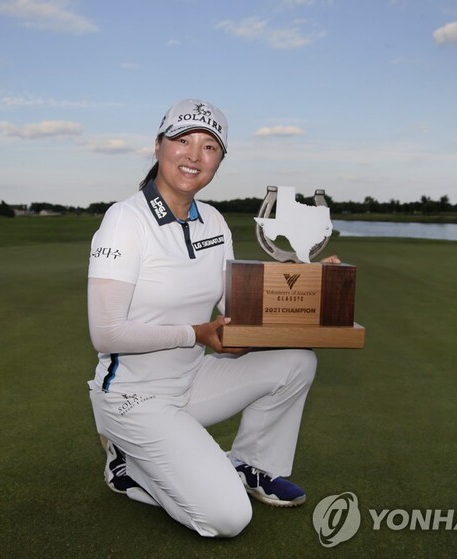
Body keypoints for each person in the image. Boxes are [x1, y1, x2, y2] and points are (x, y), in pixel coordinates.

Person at [87, 99, 335, 538]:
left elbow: (235, 313)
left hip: (193, 382)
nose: (194, 156)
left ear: (219, 161)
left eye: (209, 147)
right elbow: (105, 332)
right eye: (182, 141)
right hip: (134, 398)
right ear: (159, 146)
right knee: (227, 518)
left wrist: (309, 281)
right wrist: (197, 334)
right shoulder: (124, 220)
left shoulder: (215, 222)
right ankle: (127, 461)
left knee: (299, 360)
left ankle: (251, 464)